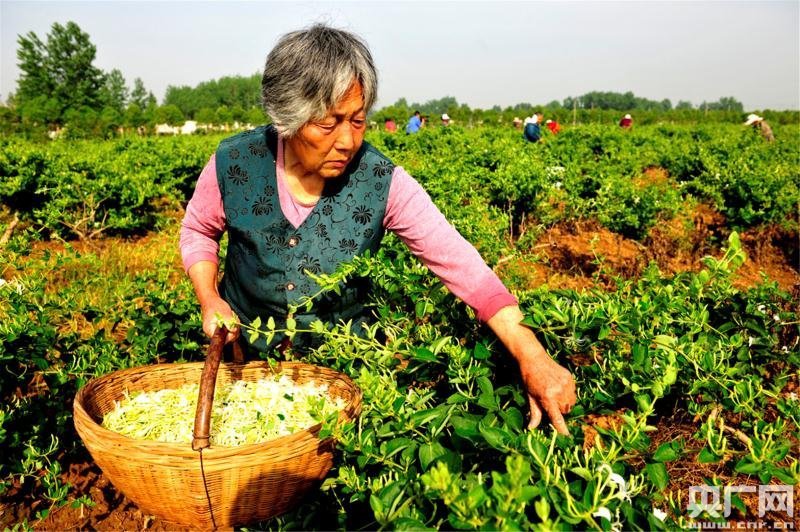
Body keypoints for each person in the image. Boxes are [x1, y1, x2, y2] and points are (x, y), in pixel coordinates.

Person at [180, 24, 576, 435]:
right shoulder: (236, 162)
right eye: (329, 123)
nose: (349, 140)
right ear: (288, 118)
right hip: (244, 368)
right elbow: (198, 231)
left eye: (358, 120)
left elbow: (462, 265)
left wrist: (531, 352)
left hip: (341, 375)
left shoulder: (381, 180)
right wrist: (209, 297)